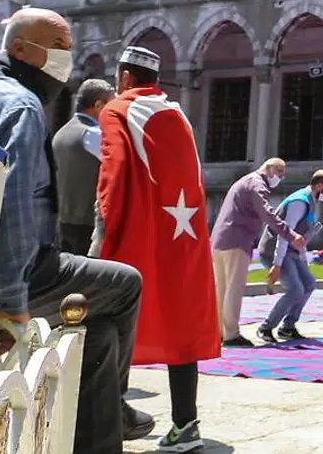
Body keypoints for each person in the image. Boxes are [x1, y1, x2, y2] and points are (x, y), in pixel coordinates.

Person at [0, 8, 152, 454]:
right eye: (57, 47)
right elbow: (14, 206)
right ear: (19, 48)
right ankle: (116, 409)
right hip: (1, 278)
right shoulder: (21, 105)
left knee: (96, 335)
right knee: (125, 283)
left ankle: (96, 441)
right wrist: (13, 303)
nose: (66, 58)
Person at [94, 47, 219, 454]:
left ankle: (105, 423)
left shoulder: (118, 110)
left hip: (140, 232)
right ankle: (186, 425)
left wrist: (105, 238)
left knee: (110, 323)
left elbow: (111, 176)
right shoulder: (178, 114)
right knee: (180, 324)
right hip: (184, 234)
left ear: (125, 77)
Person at [209, 157, 301, 347]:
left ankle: (218, 331)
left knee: (222, 289)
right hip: (237, 240)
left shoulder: (244, 181)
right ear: (268, 169)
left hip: (220, 240)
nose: (280, 179)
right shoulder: (257, 184)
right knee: (234, 288)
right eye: (279, 173)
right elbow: (268, 213)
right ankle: (231, 334)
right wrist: (291, 235)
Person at [259, 169, 323, 343]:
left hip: (292, 253)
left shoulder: (312, 201)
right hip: (275, 251)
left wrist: (303, 260)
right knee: (295, 289)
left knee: (308, 283)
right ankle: (266, 327)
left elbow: (301, 239)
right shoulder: (299, 202)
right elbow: (285, 234)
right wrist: (276, 265)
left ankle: (287, 327)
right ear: (319, 186)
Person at [53, 78, 112, 256]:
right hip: (86, 225)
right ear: (99, 105)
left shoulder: (61, 133)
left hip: (61, 222)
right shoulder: (94, 134)